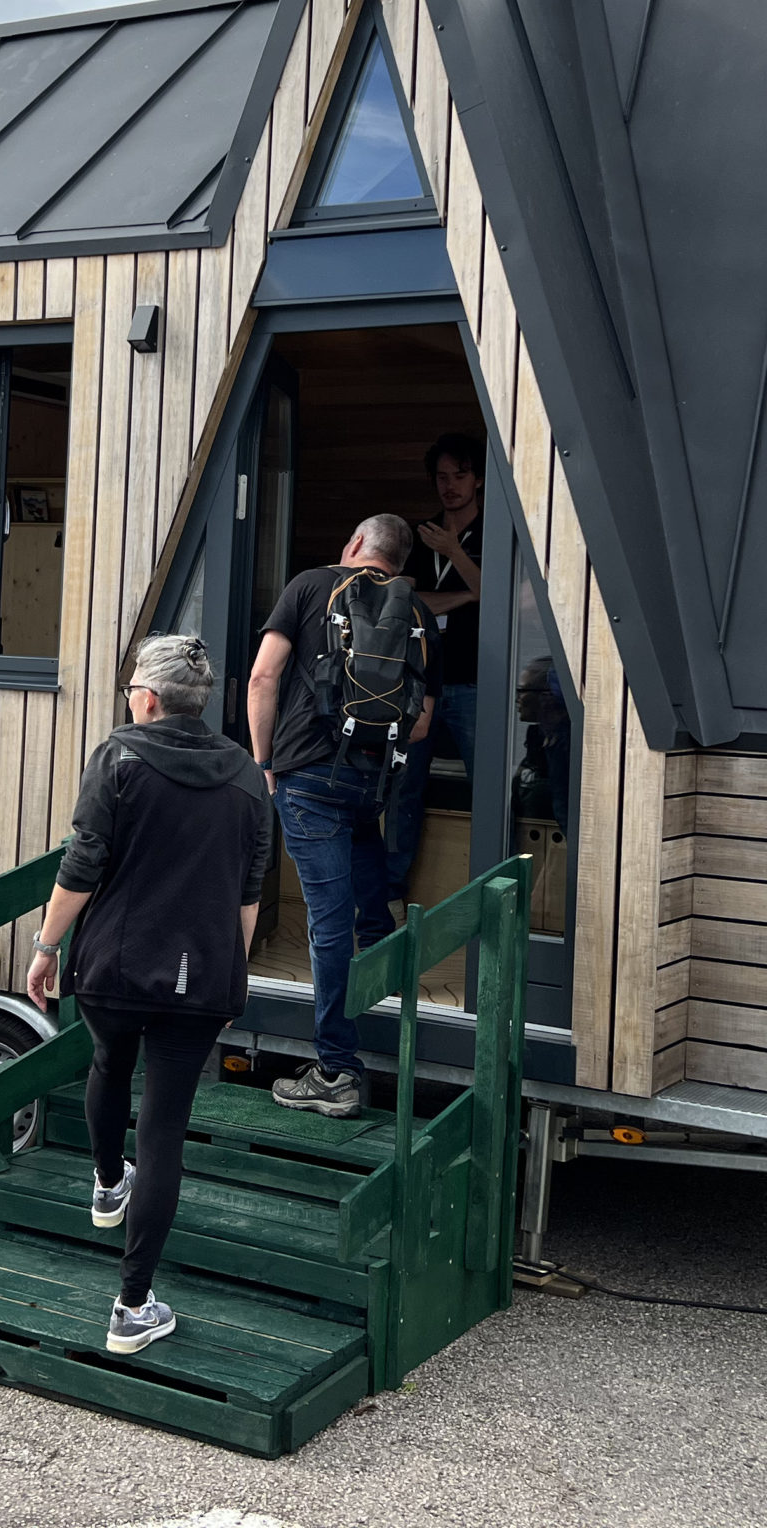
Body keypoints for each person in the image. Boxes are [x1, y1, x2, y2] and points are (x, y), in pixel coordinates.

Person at [24, 635, 269, 1358]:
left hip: (113, 970)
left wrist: (45, 947)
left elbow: (82, 864)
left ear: (151, 698)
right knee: (162, 1134)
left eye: (133, 686)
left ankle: (106, 1185)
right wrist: (234, 969)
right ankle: (132, 1307)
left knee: (108, 1063)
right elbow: (248, 896)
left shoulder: (120, 757)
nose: (130, 696)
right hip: (200, 979)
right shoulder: (248, 779)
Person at [245, 514, 440, 1119]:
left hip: (307, 777)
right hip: (371, 783)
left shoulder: (310, 585)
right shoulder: (419, 614)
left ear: (354, 544)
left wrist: (264, 762)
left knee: (328, 925)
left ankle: (337, 1070)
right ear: (399, 562)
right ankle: (387, 996)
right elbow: (424, 719)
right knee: (370, 900)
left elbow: (262, 676)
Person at [383, 434, 484, 901]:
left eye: (459, 476)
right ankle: (391, 892)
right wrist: (467, 595)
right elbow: (404, 595)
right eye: (442, 477)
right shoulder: (420, 534)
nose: (449, 486)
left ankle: (492, 892)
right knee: (403, 786)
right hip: (418, 681)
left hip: (475, 681)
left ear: (478, 479)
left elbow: (500, 595)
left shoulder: (491, 531)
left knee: (490, 784)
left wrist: (456, 555)